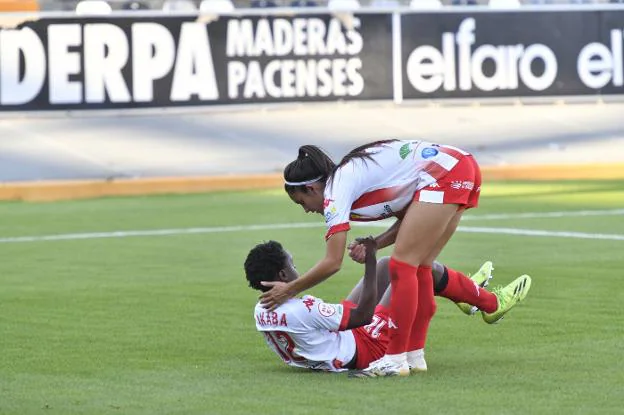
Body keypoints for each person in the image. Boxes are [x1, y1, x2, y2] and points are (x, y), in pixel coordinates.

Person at [259, 139, 533, 377]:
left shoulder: (335, 191)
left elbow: (333, 262)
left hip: (445, 172)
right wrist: (375, 244)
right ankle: (415, 356)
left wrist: (290, 290)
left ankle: (395, 358)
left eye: (301, 202)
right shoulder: (349, 181)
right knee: (420, 267)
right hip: (460, 165)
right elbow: (411, 216)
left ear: (312, 189)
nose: (306, 210)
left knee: (403, 265)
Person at [246, 239, 531, 373]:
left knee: (388, 266)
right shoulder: (302, 307)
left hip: (334, 344)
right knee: (409, 270)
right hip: (366, 348)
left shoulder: (262, 310)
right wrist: (368, 261)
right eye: (292, 265)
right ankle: (488, 302)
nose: (298, 269)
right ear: (282, 276)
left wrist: (375, 264)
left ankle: (465, 292)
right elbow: (362, 316)